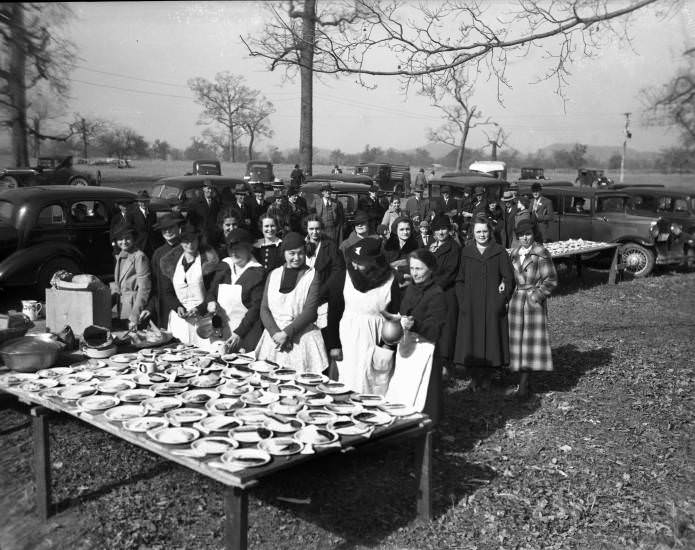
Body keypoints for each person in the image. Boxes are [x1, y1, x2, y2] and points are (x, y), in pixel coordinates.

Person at [327, 238, 401, 393]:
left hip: (376, 338)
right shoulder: (343, 278)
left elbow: (394, 317)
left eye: (359, 262)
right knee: (347, 379)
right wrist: (334, 344)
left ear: (374, 262)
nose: (354, 265)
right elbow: (334, 312)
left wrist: (386, 349)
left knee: (373, 381)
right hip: (348, 339)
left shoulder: (390, 280)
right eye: (353, 260)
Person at [454, 215, 515, 391]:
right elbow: (460, 280)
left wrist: (502, 297)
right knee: (472, 340)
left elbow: (508, 278)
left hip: (491, 304)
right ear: (473, 233)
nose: (482, 235)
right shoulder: (466, 252)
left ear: (490, 231)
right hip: (471, 304)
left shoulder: (499, 251)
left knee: (491, 340)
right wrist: (463, 301)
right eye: (478, 232)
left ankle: (488, 377)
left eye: (485, 231)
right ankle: (474, 377)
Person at [255, 232, 327, 373]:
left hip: (301, 336)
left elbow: (310, 312)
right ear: (284, 253)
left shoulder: (312, 275)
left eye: (300, 253)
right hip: (273, 337)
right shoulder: (274, 274)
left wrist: (286, 333)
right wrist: (276, 333)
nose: (296, 258)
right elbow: (264, 308)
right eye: (292, 253)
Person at [393, 249, 446, 424]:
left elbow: (434, 330)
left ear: (430, 269)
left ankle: (426, 429)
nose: (414, 273)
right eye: (412, 268)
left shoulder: (437, 294)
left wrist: (415, 325)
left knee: (425, 394)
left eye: (419, 269)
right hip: (407, 346)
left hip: (425, 350)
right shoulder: (411, 288)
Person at [507, 219, 558, 397]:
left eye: (528, 234)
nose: (525, 238)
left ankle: (524, 382)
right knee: (517, 341)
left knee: (530, 342)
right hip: (516, 301)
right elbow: (509, 278)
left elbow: (551, 280)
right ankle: (520, 377)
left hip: (532, 301)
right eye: (521, 235)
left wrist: (537, 296)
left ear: (533, 234)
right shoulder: (514, 253)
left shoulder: (541, 253)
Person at [206, 228, 265, 353]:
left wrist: (239, 333)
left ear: (249, 249)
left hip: (245, 334)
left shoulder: (257, 272)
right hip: (221, 333)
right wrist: (211, 302)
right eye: (230, 249)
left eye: (238, 249)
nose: (233, 253)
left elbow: (256, 308)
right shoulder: (224, 266)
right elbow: (211, 291)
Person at [160, 223, 219, 347]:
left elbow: (213, 290)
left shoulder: (207, 262)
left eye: (193, 241)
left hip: (203, 319)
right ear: (181, 242)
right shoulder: (171, 263)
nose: (190, 245)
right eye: (186, 242)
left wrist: (200, 308)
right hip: (180, 321)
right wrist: (177, 307)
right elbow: (167, 291)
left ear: (198, 241)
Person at [304, 214, 345, 347]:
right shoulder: (302, 245)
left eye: (317, 229)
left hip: (323, 297)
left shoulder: (330, 246)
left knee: (322, 337)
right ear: (307, 229)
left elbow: (337, 271)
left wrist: (320, 293)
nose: (314, 232)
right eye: (311, 229)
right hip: (304, 297)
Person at [428, 215, 460, 380]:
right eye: (438, 229)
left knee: (446, 330)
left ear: (449, 230)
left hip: (445, 293)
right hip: (431, 293)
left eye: (444, 228)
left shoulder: (453, 248)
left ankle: (447, 366)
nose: (441, 232)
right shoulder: (431, 246)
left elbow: (449, 272)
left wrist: (433, 288)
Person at [141, 213, 184, 329]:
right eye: (164, 229)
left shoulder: (186, 249)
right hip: (165, 309)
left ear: (178, 228)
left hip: (185, 306)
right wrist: (149, 307)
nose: (168, 231)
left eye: (171, 228)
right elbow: (155, 286)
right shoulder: (157, 254)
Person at [112, 224, 152, 331]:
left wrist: (135, 314)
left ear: (133, 239)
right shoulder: (121, 255)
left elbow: (144, 288)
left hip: (134, 307)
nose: (124, 242)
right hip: (123, 308)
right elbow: (118, 286)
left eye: (127, 238)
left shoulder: (139, 256)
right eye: (120, 239)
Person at [382, 216, 418, 286]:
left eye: (407, 229)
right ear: (396, 230)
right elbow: (383, 267)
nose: (405, 232)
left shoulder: (415, 245)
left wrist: (397, 267)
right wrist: (400, 275)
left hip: (410, 286)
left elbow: (417, 266)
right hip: (390, 284)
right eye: (401, 229)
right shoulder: (387, 246)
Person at [186, 180, 221, 245]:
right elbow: (191, 221)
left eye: (211, 189)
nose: (210, 191)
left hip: (213, 237)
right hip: (200, 237)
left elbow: (218, 219)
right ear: (203, 189)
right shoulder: (195, 203)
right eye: (208, 188)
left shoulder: (216, 203)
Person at [130, 190, 160, 257]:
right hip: (139, 247)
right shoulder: (132, 214)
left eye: (145, 201)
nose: (143, 203)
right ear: (138, 202)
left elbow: (155, 229)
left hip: (152, 247)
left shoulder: (152, 213)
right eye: (141, 201)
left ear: (149, 201)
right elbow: (130, 231)